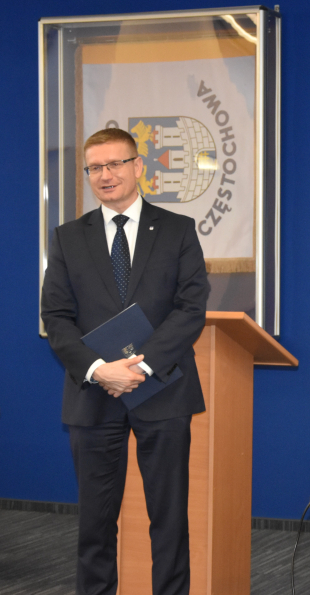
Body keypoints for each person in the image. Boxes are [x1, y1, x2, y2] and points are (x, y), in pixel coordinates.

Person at [41, 128, 209, 595]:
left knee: (169, 522)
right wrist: (100, 370)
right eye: (95, 167)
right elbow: (55, 316)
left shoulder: (178, 229)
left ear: (138, 167)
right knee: (94, 527)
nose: (105, 175)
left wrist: (140, 366)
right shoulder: (68, 237)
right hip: (93, 397)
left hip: (164, 391)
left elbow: (191, 306)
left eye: (115, 164)